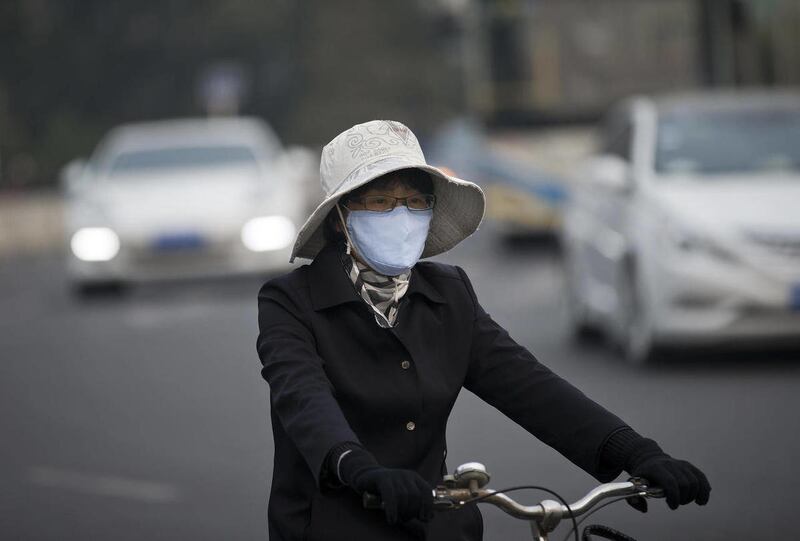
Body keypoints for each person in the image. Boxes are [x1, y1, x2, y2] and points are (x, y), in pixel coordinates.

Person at [256, 120, 710, 541]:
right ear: (340, 216)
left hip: (438, 525)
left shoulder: (449, 294)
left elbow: (528, 385)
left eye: (415, 201)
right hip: (330, 526)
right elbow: (303, 398)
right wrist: (356, 466)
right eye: (380, 201)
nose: (401, 214)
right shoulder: (291, 301)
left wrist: (637, 453)